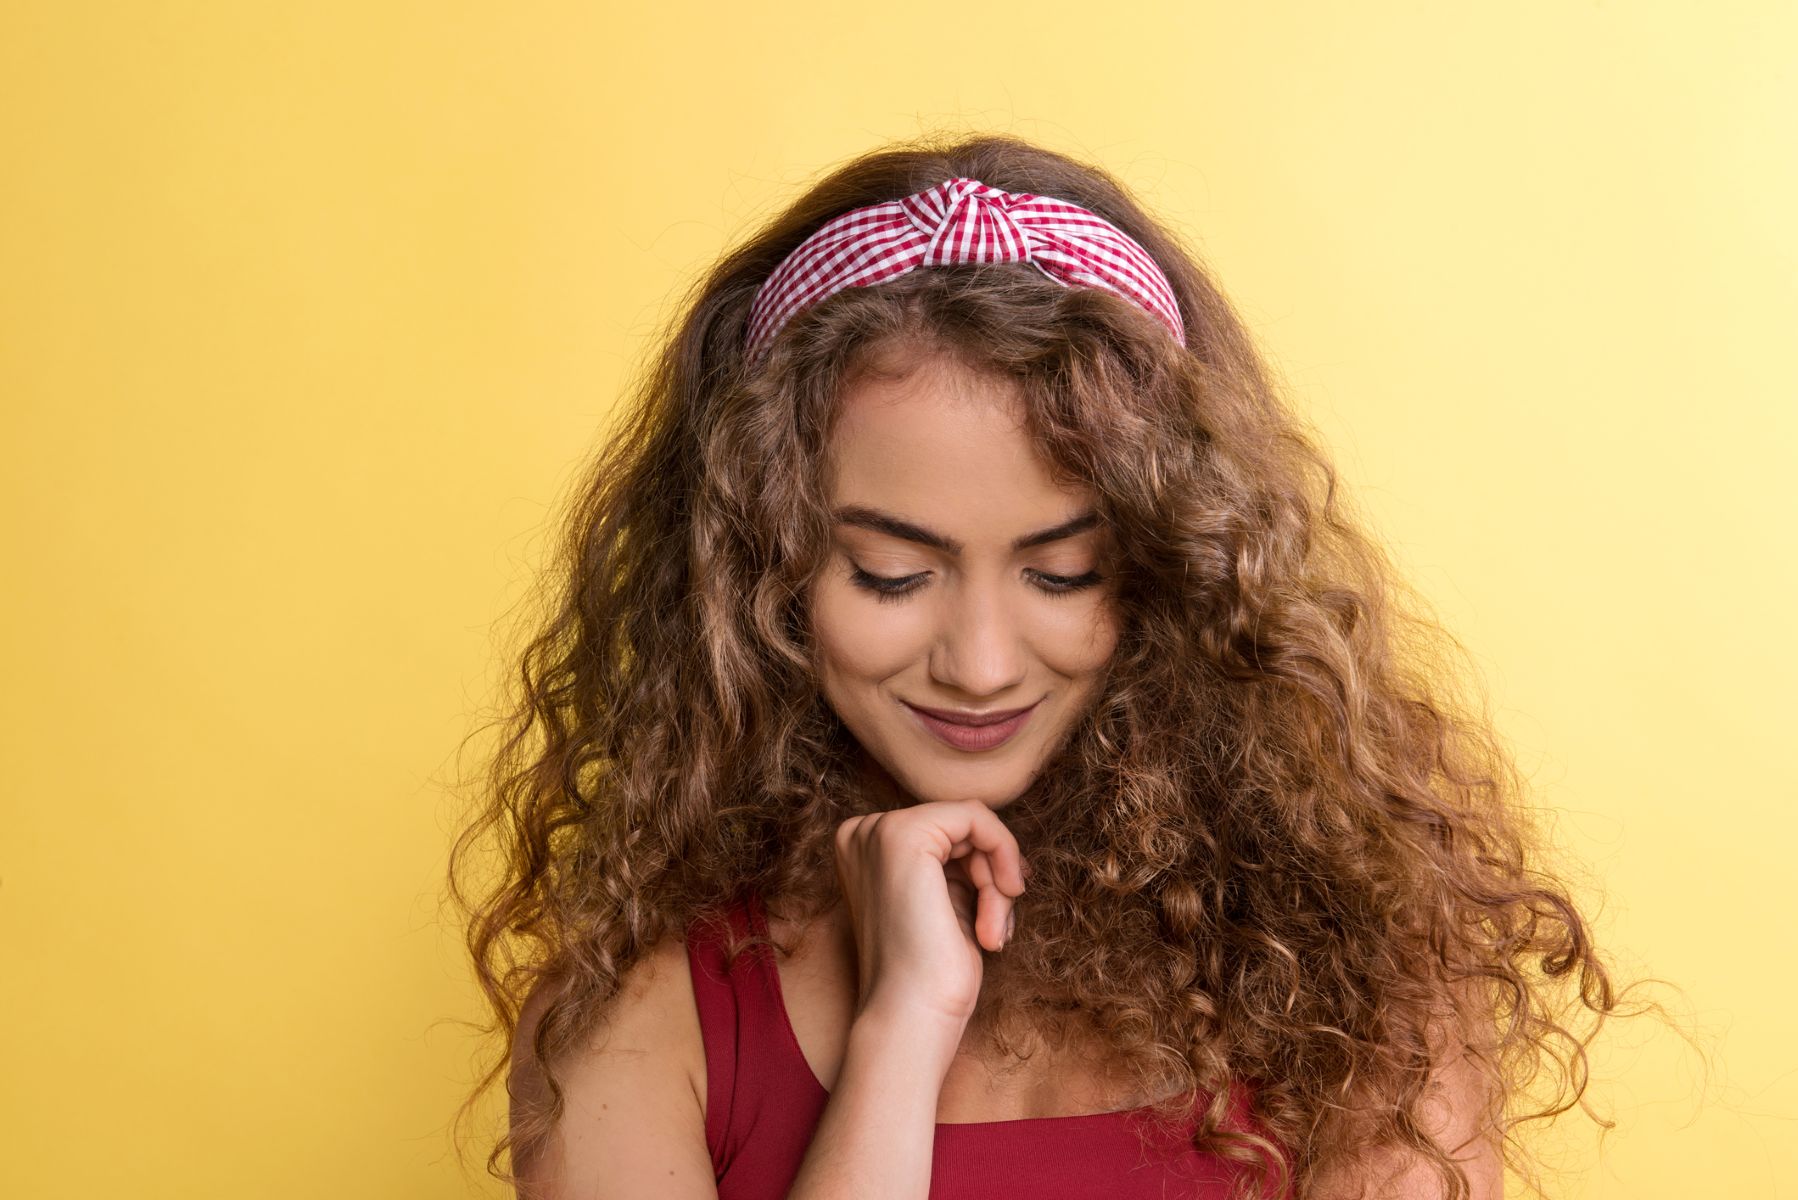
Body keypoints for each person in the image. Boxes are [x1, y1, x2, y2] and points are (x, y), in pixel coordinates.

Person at [448, 133, 1646, 1199]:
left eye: (1063, 574)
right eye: (889, 574)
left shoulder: (1354, 978)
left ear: (1177, 569)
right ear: (757, 572)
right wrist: (900, 1033)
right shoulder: (639, 1016)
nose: (978, 665)